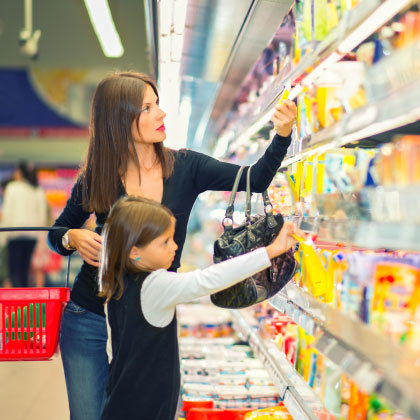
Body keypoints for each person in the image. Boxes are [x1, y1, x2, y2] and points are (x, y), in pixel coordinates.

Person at [47, 71, 297, 420]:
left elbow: (254, 179)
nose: (161, 114)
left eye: (158, 104)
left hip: (147, 314)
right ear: (120, 118)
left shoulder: (185, 167)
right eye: (147, 108)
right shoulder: (98, 176)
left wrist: (282, 135)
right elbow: (57, 233)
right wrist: (70, 237)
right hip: (88, 313)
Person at [99, 195, 300, 419]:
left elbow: (115, 351)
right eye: (165, 242)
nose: (174, 246)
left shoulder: (119, 282)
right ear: (134, 251)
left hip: (123, 402)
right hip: (145, 409)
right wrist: (271, 251)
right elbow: (208, 280)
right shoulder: (153, 285)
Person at [2, 162, 48, 287]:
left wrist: (3, 237)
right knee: (25, 270)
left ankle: (18, 300)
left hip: (14, 234)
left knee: (14, 271)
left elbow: (7, 212)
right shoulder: (37, 190)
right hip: (32, 235)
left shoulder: (12, 187)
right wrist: (41, 239)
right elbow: (42, 216)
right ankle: (25, 300)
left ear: (20, 173)